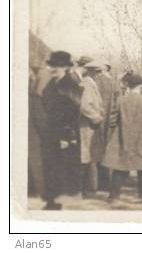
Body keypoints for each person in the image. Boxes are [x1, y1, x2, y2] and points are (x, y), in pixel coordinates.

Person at [102, 72, 142, 202]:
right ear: (140, 85)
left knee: (120, 166)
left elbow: (112, 120)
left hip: (123, 136)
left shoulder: (121, 100)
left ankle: (114, 196)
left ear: (129, 85)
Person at [41, 51, 84, 209]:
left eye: (57, 66)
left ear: (65, 67)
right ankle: (53, 200)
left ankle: (58, 203)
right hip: (52, 130)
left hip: (64, 133)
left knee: (61, 167)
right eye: (52, 65)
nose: (53, 69)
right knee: (52, 166)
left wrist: (66, 136)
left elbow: (73, 112)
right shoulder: (53, 82)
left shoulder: (69, 84)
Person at [88, 59, 120, 192]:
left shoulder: (93, 81)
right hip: (109, 122)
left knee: (92, 152)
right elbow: (117, 103)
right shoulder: (114, 83)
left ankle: (92, 185)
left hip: (93, 120)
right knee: (106, 151)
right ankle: (105, 184)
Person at [77, 60, 105, 199]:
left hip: (90, 125)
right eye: (98, 71)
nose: (100, 74)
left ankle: (87, 189)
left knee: (89, 156)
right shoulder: (88, 85)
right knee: (86, 157)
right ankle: (84, 190)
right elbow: (85, 106)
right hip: (88, 125)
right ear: (92, 71)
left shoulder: (90, 84)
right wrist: (97, 118)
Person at [28, 67, 48, 199]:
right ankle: (38, 191)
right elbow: (41, 122)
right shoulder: (33, 98)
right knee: (36, 163)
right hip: (32, 137)